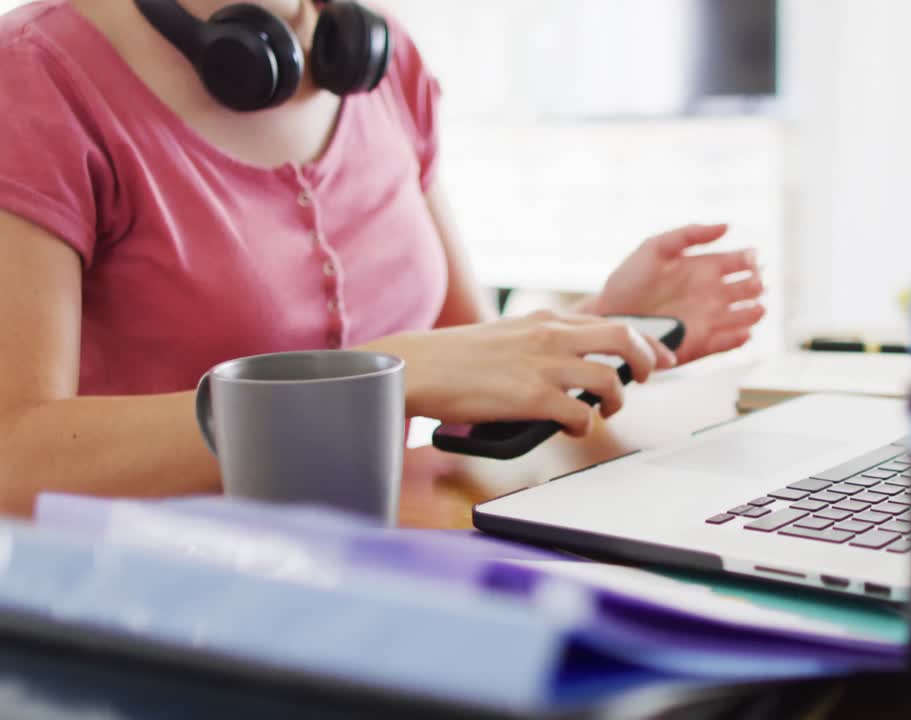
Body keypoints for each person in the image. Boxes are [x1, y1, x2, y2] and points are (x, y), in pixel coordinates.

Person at [0, 0, 766, 515]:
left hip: (390, 568)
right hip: (162, 609)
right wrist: (378, 378)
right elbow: (14, 455)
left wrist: (601, 330)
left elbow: (458, 355)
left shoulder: (377, 57)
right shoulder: (34, 76)